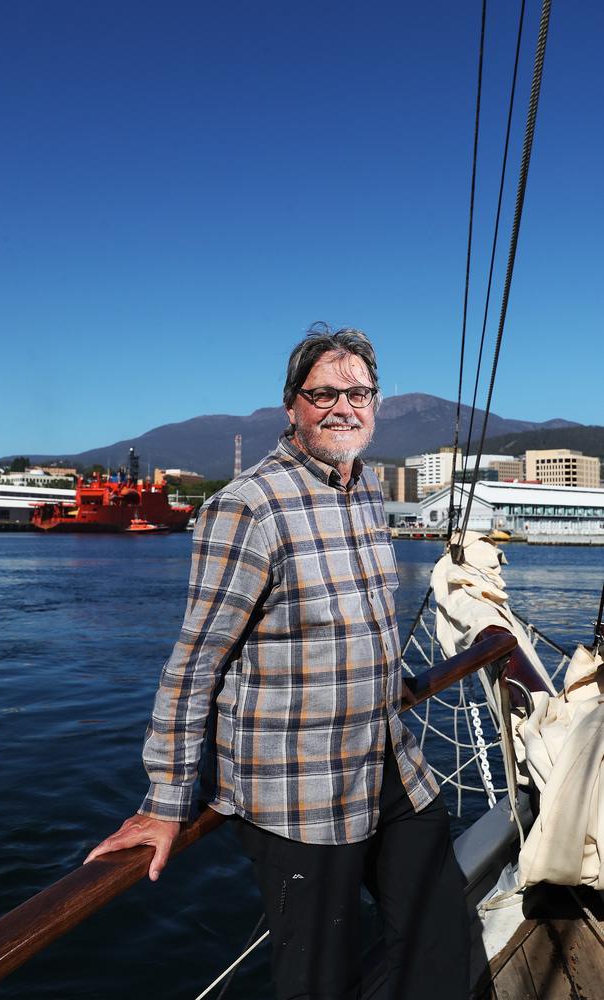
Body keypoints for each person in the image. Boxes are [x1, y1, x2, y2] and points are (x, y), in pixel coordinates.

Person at [86, 324, 470, 999]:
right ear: (292, 405)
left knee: (445, 936)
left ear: (376, 405)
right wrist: (165, 801)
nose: (342, 407)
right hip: (300, 791)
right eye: (323, 394)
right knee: (320, 980)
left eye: (358, 393)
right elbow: (194, 663)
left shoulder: (366, 487)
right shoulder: (248, 507)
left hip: (389, 760)